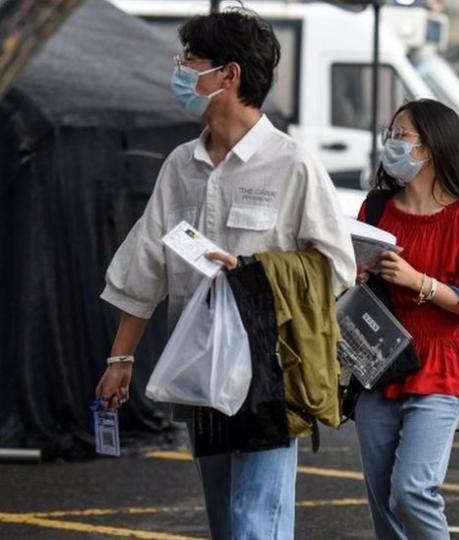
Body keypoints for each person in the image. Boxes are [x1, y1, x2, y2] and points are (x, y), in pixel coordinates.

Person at [95, 9, 356, 539]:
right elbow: (145, 264)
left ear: (229, 75)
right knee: (224, 521)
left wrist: (255, 273)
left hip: (268, 373)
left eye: (190, 62)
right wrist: (121, 359)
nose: (181, 72)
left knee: (255, 524)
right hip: (200, 370)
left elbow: (337, 268)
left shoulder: (292, 164)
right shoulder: (181, 164)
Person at [352, 99, 459, 540]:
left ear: (431, 147)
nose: (391, 144)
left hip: (437, 361)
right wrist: (354, 272)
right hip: (377, 358)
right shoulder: (376, 208)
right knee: (381, 495)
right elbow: (349, 275)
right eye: (390, 134)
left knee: (412, 489)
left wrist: (421, 282)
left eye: (402, 136)